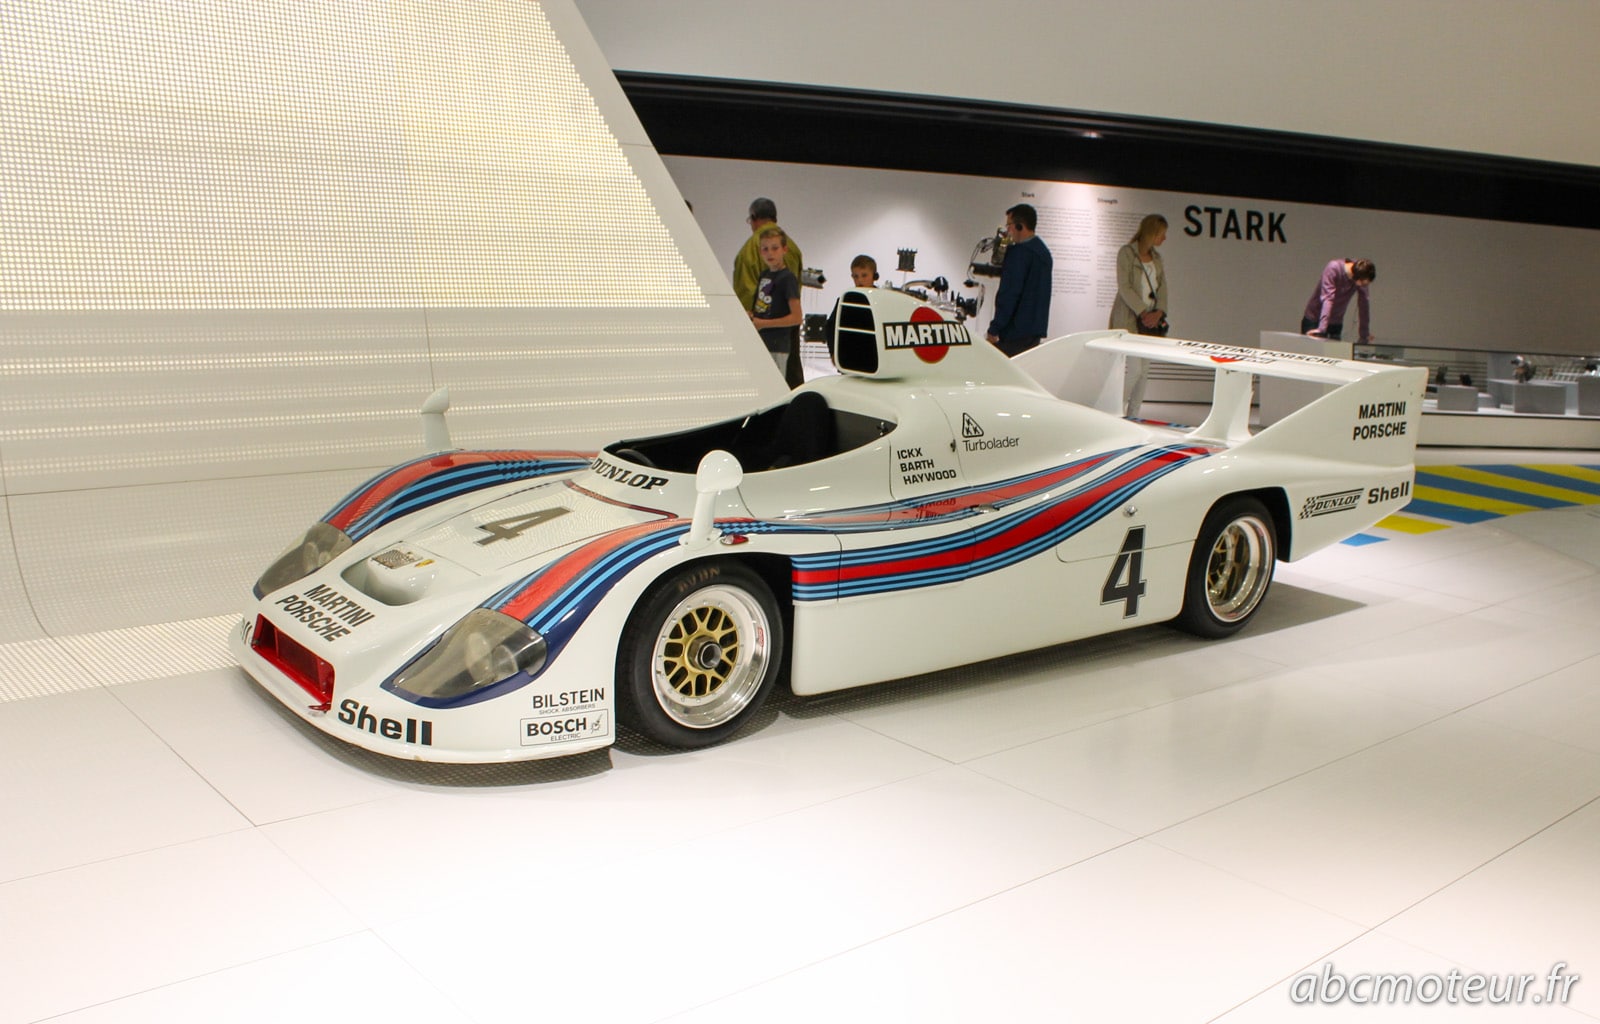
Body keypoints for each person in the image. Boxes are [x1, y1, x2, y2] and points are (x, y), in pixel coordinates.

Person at [734, 198, 806, 385]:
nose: (770, 253)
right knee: (791, 377)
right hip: (787, 328)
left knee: (764, 381)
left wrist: (750, 320)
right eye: (766, 250)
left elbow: (745, 292)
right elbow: (796, 288)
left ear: (754, 218)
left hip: (762, 327)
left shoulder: (749, 250)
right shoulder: (791, 246)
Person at [1109, 214, 1169, 417]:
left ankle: (1134, 414)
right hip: (1130, 319)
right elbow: (1124, 286)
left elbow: (1162, 288)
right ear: (1152, 232)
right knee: (1135, 370)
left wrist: (1159, 312)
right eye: (1162, 234)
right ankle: (1114, 409)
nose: (1164, 238)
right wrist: (1143, 312)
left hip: (1150, 323)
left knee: (1144, 372)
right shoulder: (1127, 254)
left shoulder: (1157, 258)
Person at [985, 204, 1053, 356]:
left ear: (1020, 226)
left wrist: (995, 328)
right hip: (1033, 332)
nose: (1007, 230)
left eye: (1009, 225)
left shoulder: (1019, 253)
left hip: (1013, 333)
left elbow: (1010, 293)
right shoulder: (1043, 252)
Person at [749, 226, 802, 378]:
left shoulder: (787, 278)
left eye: (774, 248)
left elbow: (796, 317)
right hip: (761, 342)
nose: (770, 253)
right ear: (760, 252)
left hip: (777, 345)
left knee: (773, 383)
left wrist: (764, 323)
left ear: (784, 249)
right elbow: (761, 308)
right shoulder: (764, 275)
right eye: (765, 249)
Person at [1300, 258, 1376, 342]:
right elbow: (1328, 299)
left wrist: (1364, 334)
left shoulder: (1362, 272)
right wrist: (1321, 329)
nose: (1363, 286)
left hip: (1336, 322)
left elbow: (1364, 304)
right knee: (1312, 349)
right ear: (1358, 278)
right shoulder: (1334, 268)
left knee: (1333, 350)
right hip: (1314, 319)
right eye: (1363, 283)